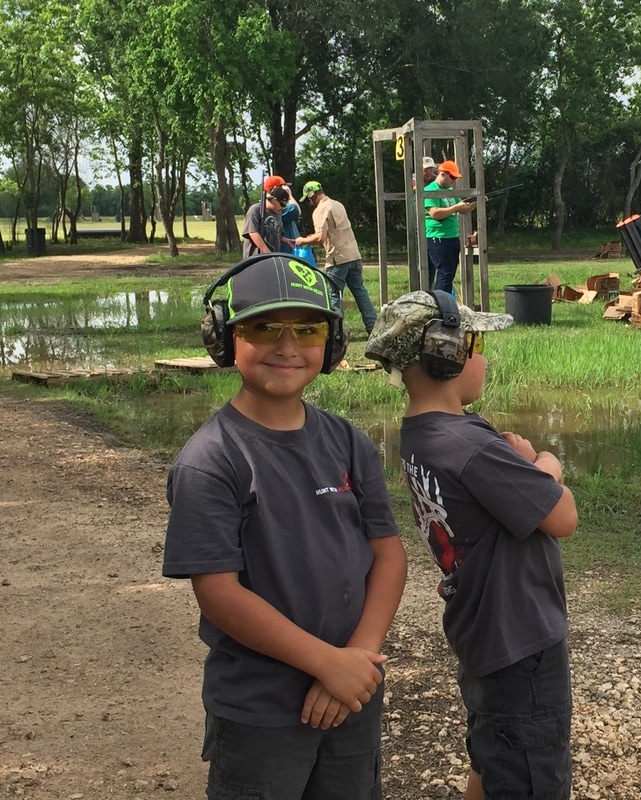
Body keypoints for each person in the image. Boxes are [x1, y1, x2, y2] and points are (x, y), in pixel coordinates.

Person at [163, 253, 407, 800]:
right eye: (263, 326)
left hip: (353, 694)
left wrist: (356, 661)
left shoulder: (349, 441)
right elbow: (219, 595)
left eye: (309, 328)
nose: (287, 345)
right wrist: (326, 663)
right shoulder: (212, 460)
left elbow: (389, 557)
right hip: (260, 710)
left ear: (333, 342)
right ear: (225, 338)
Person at [365, 290, 578, 800]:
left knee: (494, 752)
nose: (483, 353)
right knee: (530, 769)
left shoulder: (424, 432)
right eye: (476, 341)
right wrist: (543, 464)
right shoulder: (469, 446)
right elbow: (562, 516)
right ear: (446, 353)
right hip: (520, 638)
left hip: (483, 634)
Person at [295, 181, 378, 336]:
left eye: (308, 199)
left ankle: (336, 332)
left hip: (337, 258)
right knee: (360, 292)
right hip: (354, 254)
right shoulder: (337, 204)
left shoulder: (320, 210)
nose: (308, 203)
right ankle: (373, 328)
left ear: (312, 194)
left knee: (334, 294)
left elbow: (321, 237)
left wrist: (302, 240)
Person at [424, 160, 474, 294]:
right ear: (442, 174)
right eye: (452, 177)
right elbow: (435, 213)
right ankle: (441, 303)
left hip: (452, 237)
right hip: (438, 238)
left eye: (455, 178)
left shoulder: (450, 191)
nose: (454, 180)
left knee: (449, 273)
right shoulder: (430, 190)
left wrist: (477, 202)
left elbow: (464, 209)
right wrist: (456, 207)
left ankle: (443, 302)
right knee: (445, 273)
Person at [241, 185, 288, 258]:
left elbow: (277, 235)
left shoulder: (278, 213)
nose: (282, 208)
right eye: (282, 204)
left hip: (272, 258)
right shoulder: (256, 209)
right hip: (256, 258)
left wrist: (288, 241)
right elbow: (253, 233)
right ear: (274, 200)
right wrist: (267, 252)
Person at [264, 174, 301, 254]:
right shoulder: (276, 206)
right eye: (282, 187)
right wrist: (289, 195)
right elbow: (297, 211)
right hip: (286, 251)